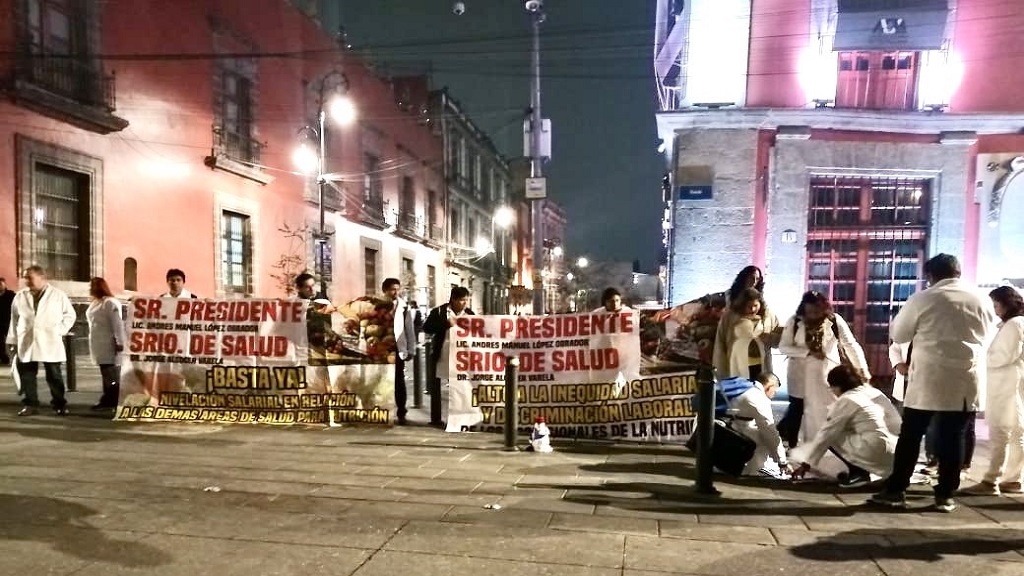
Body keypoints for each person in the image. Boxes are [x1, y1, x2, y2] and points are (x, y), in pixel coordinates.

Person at [870, 254, 996, 513]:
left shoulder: (923, 298)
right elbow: (988, 335)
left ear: (931, 275)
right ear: (958, 272)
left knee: (912, 435)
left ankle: (896, 490)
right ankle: (946, 494)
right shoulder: (981, 299)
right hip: (966, 378)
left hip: (930, 376)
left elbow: (900, 333)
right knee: (955, 437)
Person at [778, 291, 871, 466]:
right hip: (800, 375)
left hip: (827, 375)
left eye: (816, 311)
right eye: (809, 312)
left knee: (829, 412)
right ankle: (796, 447)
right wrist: (807, 352)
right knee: (798, 410)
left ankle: (832, 448)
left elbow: (850, 344)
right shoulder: (796, 321)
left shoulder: (834, 321)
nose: (813, 315)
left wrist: (861, 368)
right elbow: (784, 347)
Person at [790, 365, 902, 488]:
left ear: (837, 386)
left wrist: (806, 465)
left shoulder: (846, 400)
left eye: (831, 388)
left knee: (833, 433)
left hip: (877, 449)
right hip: (898, 452)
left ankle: (859, 473)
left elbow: (826, 434)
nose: (832, 392)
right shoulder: (874, 392)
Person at [963, 286, 1024, 496]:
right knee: (1016, 434)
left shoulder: (1014, 325)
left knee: (1001, 434)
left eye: (997, 304)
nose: (995, 309)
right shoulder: (1016, 324)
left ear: (1007, 304)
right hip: (1013, 386)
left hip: (1006, 387)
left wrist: (980, 359)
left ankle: (991, 480)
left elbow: (1003, 356)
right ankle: (1012, 479)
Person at [5, 266, 77, 416]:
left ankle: (59, 404)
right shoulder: (20, 296)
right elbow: (14, 320)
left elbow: (70, 315)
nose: (26, 281)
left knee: (54, 375)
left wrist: (60, 330)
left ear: (41, 277)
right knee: (27, 375)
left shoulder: (58, 295)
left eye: (29, 277)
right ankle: (30, 404)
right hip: (27, 340)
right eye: (25, 277)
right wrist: (12, 341)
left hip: (50, 340)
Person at [719, 372, 789, 478]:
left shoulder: (747, 387)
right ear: (769, 387)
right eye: (774, 391)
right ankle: (750, 472)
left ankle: (732, 467)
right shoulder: (758, 398)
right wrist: (782, 461)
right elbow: (770, 431)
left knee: (757, 433)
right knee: (765, 440)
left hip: (723, 426)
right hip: (732, 430)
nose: (774, 395)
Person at [713, 287, 776, 380]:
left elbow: (779, 337)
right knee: (741, 391)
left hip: (761, 365)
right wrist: (720, 370)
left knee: (760, 391)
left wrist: (770, 338)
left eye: (755, 305)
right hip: (738, 365)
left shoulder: (767, 316)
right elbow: (720, 344)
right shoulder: (730, 317)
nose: (753, 309)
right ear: (741, 305)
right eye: (749, 306)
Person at [86, 278, 126, 410]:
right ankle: (107, 398)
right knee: (105, 372)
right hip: (98, 343)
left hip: (109, 343)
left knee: (112, 374)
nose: (91, 288)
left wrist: (120, 341)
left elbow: (117, 324)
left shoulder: (110, 303)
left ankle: (114, 400)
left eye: (93, 286)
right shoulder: (95, 303)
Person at [382, 278, 417, 425]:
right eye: (392, 289)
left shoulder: (404, 307)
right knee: (380, 379)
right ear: (385, 291)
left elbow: (409, 329)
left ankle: (401, 411)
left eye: (397, 289)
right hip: (380, 347)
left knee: (398, 380)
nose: (395, 292)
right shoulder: (376, 306)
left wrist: (411, 349)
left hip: (397, 347)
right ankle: (381, 410)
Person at [0, 277, 14, 365]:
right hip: (0, 322)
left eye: (1, 284)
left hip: (9, 321)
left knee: (11, 340)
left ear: (5, 285)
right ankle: (4, 358)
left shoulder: (11, 295)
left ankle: (15, 357)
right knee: (0, 341)